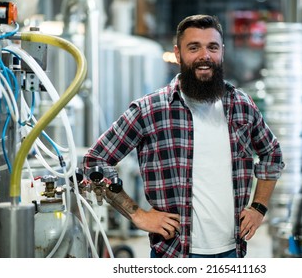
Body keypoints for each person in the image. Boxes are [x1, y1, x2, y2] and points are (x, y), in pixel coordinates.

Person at [83, 14, 284, 258]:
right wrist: (137, 214)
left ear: (222, 51)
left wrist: (259, 207)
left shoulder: (241, 105)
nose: (204, 56)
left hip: (233, 252)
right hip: (173, 253)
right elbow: (96, 162)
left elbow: (271, 154)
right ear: (178, 54)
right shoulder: (150, 110)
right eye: (194, 47)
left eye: (212, 47)